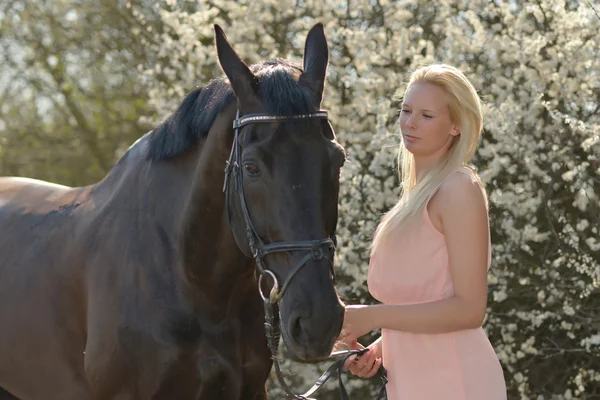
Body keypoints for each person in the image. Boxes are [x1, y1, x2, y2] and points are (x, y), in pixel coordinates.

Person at [337, 64, 507, 399]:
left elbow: (469, 310)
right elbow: (425, 303)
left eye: (427, 115)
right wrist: (379, 349)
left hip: (457, 383)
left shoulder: (458, 188)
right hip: (411, 385)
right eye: (406, 110)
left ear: (456, 125)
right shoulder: (413, 200)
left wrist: (369, 316)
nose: (410, 123)